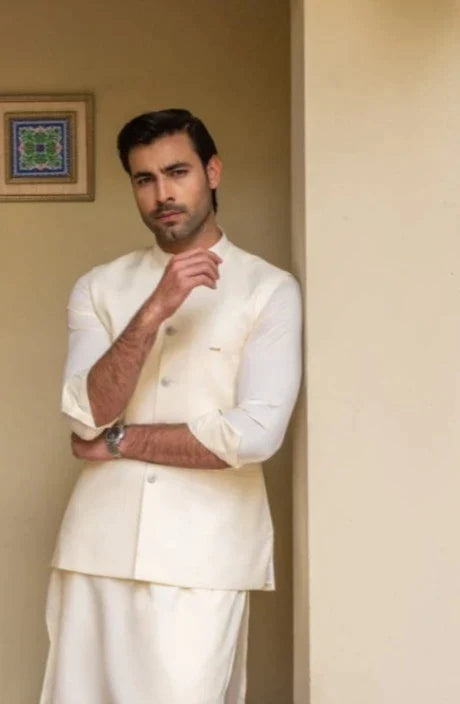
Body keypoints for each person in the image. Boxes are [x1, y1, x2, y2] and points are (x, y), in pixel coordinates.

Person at [39, 108, 302, 704]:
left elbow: (256, 433)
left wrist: (119, 442)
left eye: (177, 172)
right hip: (95, 550)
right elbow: (85, 414)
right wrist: (155, 308)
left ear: (212, 172)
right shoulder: (98, 287)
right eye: (145, 179)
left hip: (207, 556)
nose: (162, 194)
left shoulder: (269, 289)